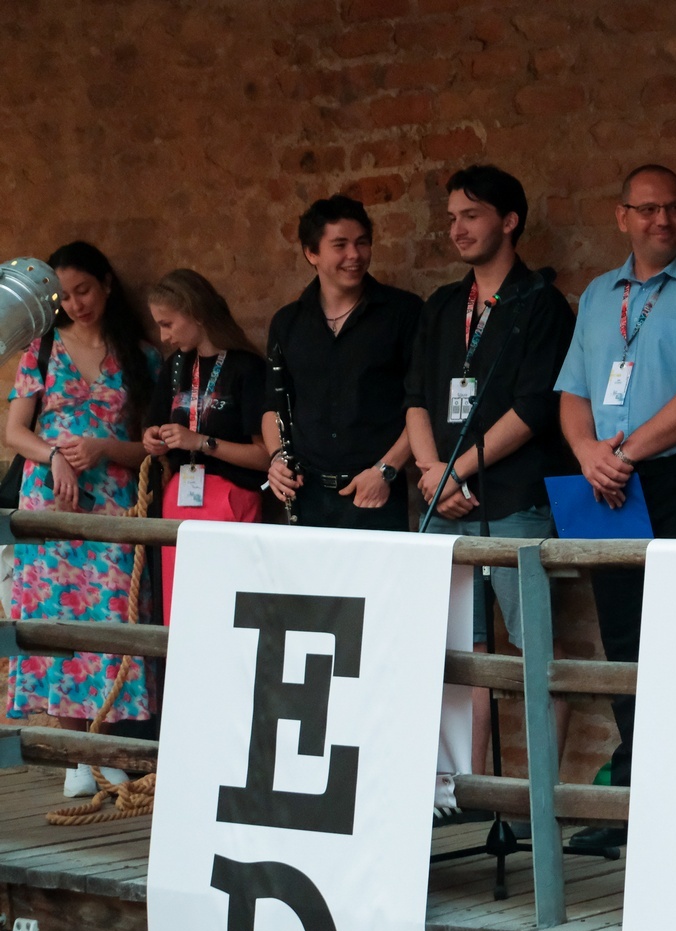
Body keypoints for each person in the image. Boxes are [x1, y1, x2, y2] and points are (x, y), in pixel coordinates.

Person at [554, 163, 676, 852]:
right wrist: (588, 454)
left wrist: (624, 454)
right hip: (607, 482)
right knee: (624, 642)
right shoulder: (596, 296)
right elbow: (573, 393)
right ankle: (637, 803)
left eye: (674, 207)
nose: (662, 220)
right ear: (622, 217)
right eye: (647, 209)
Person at [403, 164, 576, 778]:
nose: (457, 228)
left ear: (509, 220)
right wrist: (432, 471)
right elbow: (416, 398)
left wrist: (454, 472)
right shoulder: (443, 305)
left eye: (471, 215)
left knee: (534, 647)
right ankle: (464, 789)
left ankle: (536, 799)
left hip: (512, 498)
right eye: (452, 217)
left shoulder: (542, 303)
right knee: (461, 647)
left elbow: (534, 409)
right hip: (441, 498)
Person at [4, 242, 159, 796]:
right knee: (56, 620)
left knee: (112, 619)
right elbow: (14, 432)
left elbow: (148, 449)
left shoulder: (142, 357)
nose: (75, 304)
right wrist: (53, 456)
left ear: (107, 284)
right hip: (51, 505)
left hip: (114, 504)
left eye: (84, 290)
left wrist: (102, 448)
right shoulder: (41, 349)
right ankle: (75, 756)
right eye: (64, 297)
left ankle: (105, 748)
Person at [263, 195, 422, 530]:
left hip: (376, 490)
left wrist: (386, 470)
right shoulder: (287, 322)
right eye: (340, 245)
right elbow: (272, 406)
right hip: (307, 493)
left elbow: (422, 403)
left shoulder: (404, 312)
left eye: (362, 243)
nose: (355, 255)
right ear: (311, 253)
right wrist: (277, 459)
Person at [143, 270, 271, 623]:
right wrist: (153, 438)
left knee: (224, 609)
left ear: (196, 313)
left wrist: (202, 442)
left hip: (231, 495)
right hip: (180, 495)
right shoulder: (174, 366)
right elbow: (153, 426)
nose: (163, 336)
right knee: (179, 607)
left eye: (167, 324)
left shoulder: (247, 368)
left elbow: (266, 457)